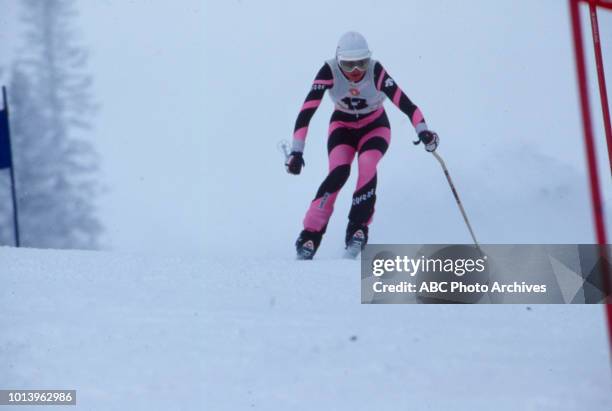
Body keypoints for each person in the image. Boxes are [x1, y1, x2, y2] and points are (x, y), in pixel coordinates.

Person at [286, 31, 439, 260]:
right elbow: (307, 110)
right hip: (342, 128)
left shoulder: (375, 70)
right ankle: (310, 234)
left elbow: (406, 104)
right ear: (339, 61)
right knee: (339, 172)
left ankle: (358, 227)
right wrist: (296, 152)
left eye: (362, 64)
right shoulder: (329, 70)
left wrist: (423, 131)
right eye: (349, 66)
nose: (356, 72)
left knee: (367, 163)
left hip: (374, 127)